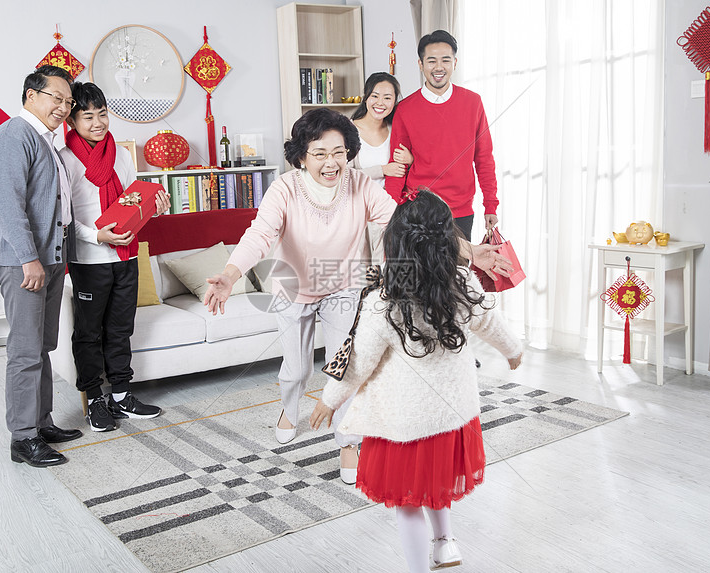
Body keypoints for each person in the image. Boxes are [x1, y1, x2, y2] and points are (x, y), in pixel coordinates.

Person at [310, 189, 523, 572]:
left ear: (395, 244)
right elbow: (491, 322)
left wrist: (330, 399)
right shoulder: (463, 284)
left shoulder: (386, 300)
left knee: (408, 503)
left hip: (404, 425)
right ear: (448, 240)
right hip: (452, 417)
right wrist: (513, 351)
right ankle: (445, 544)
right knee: (438, 485)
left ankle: (417, 568)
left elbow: (357, 363)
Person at [203, 108, 397, 484]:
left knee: (347, 368)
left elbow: (398, 221)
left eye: (339, 152)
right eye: (320, 153)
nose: (331, 162)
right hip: (294, 288)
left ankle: (348, 442)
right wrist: (230, 274)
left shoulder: (360, 184)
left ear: (350, 152)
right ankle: (289, 409)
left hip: (344, 286)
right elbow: (260, 235)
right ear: (302, 156)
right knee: (297, 368)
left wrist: (459, 249)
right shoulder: (285, 188)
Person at [0, 65, 82, 467]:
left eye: (68, 101)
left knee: (42, 346)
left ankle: (41, 422)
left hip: (50, 258)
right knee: (25, 350)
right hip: (28, 262)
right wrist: (28, 258)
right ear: (31, 96)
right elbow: (6, 204)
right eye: (55, 97)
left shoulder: (46, 141)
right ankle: (23, 438)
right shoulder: (14, 136)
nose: (63, 107)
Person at [60, 82, 169, 432]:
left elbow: (133, 203)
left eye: (102, 114)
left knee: (121, 328)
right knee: (90, 332)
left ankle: (121, 394)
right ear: (73, 120)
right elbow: (64, 217)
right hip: (89, 259)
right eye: (87, 116)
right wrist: (96, 235)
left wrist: (156, 205)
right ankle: (94, 399)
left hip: (125, 254)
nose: (97, 122)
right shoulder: (64, 159)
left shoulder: (121, 154)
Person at [384, 30, 499, 241]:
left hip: (460, 212)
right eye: (431, 61)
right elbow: (397, 166)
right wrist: (391, 212)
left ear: (455, 63)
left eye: (445, 60)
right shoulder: (406, 109)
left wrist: (490, 204)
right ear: (420, 64)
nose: (439, 67)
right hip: (417, 210)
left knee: (460, 273)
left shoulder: (473, 103)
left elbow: (484, 158)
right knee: (418, 274)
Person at [349, 72, 413, 262]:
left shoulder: (396, 129)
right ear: (366, 97)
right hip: (359, 211)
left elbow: (411, 171)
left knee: (391, 268)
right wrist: (383, 170)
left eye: (387, 97)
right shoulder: (348, 130)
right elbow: (342, 176)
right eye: (375, 96)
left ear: (394, 102)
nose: (380, 103)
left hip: (391, 211)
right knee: (363, 271)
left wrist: (410, 160)